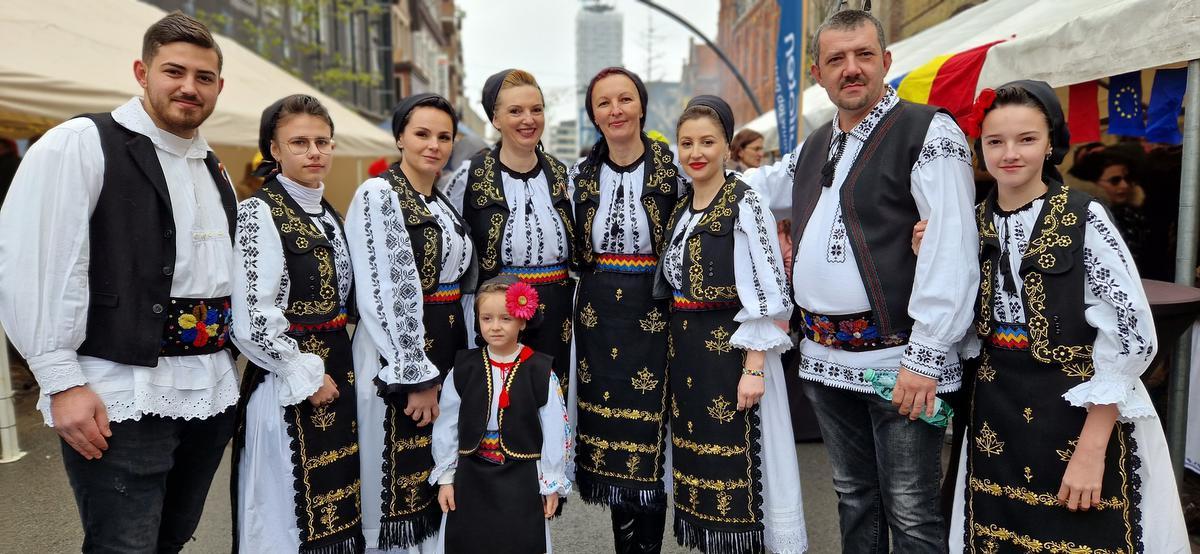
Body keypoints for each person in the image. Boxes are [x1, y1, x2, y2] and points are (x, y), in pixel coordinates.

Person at [0, 12, 239, 552]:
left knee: (172, 539)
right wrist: (60, 380)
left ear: (219, 87)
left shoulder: (212, 165)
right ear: (141, 71)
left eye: (204, 78)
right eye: (173, 71)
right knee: (123, 546)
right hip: (119, 394)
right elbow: (36, 263)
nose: (188, 87)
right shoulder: (80, 143)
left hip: (208, 390)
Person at [744, 9, 978, 551]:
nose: (851, 69)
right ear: (818, 73)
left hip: (902, 364)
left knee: (912, 510)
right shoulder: (817, 142)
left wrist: (926, 356)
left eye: (863, 55)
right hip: (827, 361)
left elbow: (953, 248)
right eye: (836, 59)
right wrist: (681, 172)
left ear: (886, 62)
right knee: (854, 497)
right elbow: (755, 189)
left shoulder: (928, 131)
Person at [936, 80, 1189, 551]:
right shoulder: (970, 223)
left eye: (1026, 139)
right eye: (995, 141)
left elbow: (1131, 332)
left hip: (1080, 410)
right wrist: (927, 256)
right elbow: (956, 322)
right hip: (997, 413)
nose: (1010, 153)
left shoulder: (1084, 215)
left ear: (1052, 142)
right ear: (981, 148)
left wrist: (1093, 446)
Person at [657, 95, 807, 553]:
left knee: (745, 473)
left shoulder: (745, 202)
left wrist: (755, 365)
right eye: (686, 143)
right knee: (701, 473)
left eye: (707, 141)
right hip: (689, 358)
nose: (695, 152)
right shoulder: (683, 208)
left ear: (727, 146)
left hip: (735, 354)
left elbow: (766, 289)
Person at [231, 95, 364, 553]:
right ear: (274, 148)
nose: (314, 152)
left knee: (339, 503)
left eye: (323, 142)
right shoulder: (257, 212)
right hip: (287, 384)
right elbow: (250, 316)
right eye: (300, 142)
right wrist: (301, 373)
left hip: (338, 370)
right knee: (288, 513)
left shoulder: (331, 213)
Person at [345, 92, 475, 552]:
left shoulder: (440, 201)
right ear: (400, 137)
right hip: (397, 355)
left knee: (436, 472)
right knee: (398, 477)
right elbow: (383, 291)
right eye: (422, 133)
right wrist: (414, 374)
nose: (433, 145)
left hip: (444, 347)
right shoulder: (380, 193)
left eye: (444, 136)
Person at [570, 66, 680, 553]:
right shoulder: (578, 177)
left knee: (651, 444)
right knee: (612, 441)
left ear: (641, 106)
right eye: (603, 102)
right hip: (597, 321)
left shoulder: (673, 172)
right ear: (593, 114)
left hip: (653, 316)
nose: (615, 110)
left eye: (624, 100)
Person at [444, 69, 576, 388]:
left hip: (558, 317)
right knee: (503, 408)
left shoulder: (562, 176)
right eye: (515, 111)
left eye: (536, 109)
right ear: (496, 119)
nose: (528, 119)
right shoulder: (470, 177)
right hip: (498, 319)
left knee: (551, 406)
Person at [429, 276, 571, 553]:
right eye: (486, 318)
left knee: (521, 541)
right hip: (471, 475)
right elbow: (446, 425)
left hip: (522, 475)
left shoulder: (540, 371)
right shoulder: (464, 368)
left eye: (505, 319)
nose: (495, 327)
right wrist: (446, 478)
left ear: (523, 320)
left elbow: (555, 431)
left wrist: (551, 482)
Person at [1072, 147, 1150, 267]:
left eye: (1127, 179)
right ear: (1092, 183)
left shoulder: (1134, 214)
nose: (1124, 185)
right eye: (1115, 180)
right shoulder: (1077, 216)